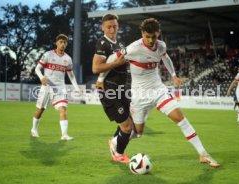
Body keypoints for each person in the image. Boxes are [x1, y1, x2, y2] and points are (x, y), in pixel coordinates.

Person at [104, 18, 220, 168]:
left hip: (159, 91)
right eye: (147, 36)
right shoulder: (133, 48)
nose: (151, 40)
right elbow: (113, 57)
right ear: (142, 34)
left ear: (158, 34)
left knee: (181, 119)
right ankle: (114, 142)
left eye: (154, 36)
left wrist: (173, 75)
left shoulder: (161, 46)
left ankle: (203, 154)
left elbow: (166, 58)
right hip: (140, 97)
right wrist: (102, 78)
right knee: (138, 133)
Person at [92, 14, 134, 163]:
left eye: (114, 26)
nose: (112, 29)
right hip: (109, 90)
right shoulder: (102, 43)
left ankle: (114, 143)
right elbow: (96, 67)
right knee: (127, 126)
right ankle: (118, 154)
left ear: (118, 26)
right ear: (103, 27)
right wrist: (115, 66)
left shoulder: (120, 43)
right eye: (109, 26)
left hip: (122, 89)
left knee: (130, 125)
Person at [31, 34, 80, 141]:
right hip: (47, 87)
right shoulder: (48, 55)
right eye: (61, 42)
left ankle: (64, 135)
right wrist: (41, 77)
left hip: (60, 88)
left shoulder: (68, 59)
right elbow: (37, 69)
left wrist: (76, 87)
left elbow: (71, 75)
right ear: (56, 42)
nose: (63, 44)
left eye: (65, 42)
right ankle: (34, 129)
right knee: (40, 110)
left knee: (63, 109)